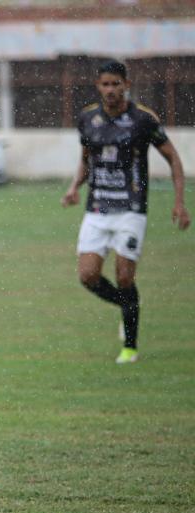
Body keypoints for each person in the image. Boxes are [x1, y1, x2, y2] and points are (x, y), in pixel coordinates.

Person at [62, 59, 189, 364]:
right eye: (105, 84)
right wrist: (74, 186)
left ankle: (130, 347)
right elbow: (86, 158)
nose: (110, 90)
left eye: (115, 84)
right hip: (97, 208)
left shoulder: (142, 120)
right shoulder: (88, 119)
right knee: (88, 275)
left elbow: (173, 159)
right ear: (98, 86)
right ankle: (128, 306)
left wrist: (179, 201)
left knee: (124, 277)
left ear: (126, 85)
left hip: (131, 208)